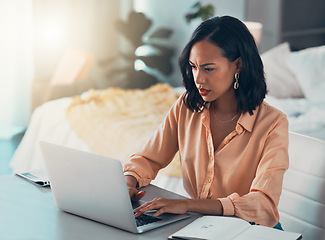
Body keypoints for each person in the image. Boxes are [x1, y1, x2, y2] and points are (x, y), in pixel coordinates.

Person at [123, 15, 288, 229]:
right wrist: (129, 182)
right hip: (200, 225)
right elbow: (149, 158)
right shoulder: (187, 106)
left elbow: (263, 205)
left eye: (208, 68)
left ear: (238, 65)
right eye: (193, 67)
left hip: (251, 229)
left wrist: (187, 204)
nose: (198, 79)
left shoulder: (273, 123)